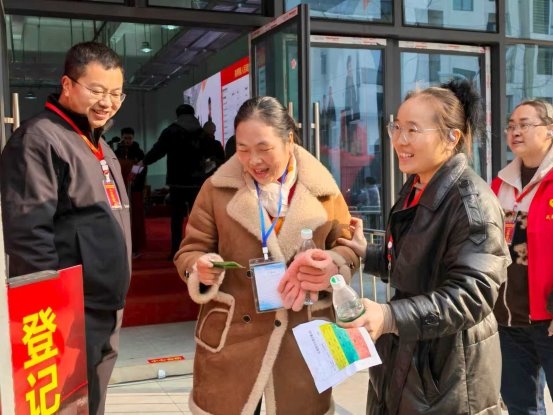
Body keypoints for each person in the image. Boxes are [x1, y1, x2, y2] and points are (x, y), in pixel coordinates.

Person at [174, 96, 359, 415]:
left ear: (289, 140)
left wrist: (335, 264)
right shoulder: (216, 190)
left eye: (264, 148)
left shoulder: (323, 190)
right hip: (234, 337)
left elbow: (347, 245)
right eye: (243, 149)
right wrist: (198, 267)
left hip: (302, 339)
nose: (253, 160)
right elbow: (190, 250)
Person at [336, 79, 511, 414]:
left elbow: (471, 296)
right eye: (396, 127)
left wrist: (389, 316)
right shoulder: (417, 185)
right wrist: (367, 253)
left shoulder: (471, 203)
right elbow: (416, 264)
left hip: (448, 373)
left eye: (413, 130)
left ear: (451, 138)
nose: (400, 140)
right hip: (408, 357)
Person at [0, 41, 130, 415]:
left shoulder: (99, 144)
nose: (107, 102)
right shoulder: (38, 140)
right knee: (67, 406)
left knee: (93, 403)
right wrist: (51, 318)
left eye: (116, 94)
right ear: (67, 85)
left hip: (103, 305)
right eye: (97, 90)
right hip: (68, 316)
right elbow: (29, 237)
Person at [491, 98, 553, 415]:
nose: (515, 131)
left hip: (549, 316)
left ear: (550, 130)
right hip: (508, 318)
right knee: (520, 406)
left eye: (524, 124)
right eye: (511, 126)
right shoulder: (499, 183)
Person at [139, 103, 209, 259]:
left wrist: (144, 162)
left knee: (176, 219)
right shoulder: (202, 133)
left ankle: (176, 251)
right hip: (197, 182)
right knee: (198, 219)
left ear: (178, 115)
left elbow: (158, 150)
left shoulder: (171, 131)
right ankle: (200, 249)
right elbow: (211, 153)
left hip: (177, 182)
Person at [115, 126, 147, 257]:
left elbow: (143, 167)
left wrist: (133, 175)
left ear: (133, 138)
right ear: (121, 137)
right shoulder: (116, 152)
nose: (127, 140)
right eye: (125, 138)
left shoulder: (139, 152)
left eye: (129, 138)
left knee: (135, 217)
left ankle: (136, 245)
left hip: (135, 189)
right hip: (120, 190)